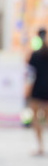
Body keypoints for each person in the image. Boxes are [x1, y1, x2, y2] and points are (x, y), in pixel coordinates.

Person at [28, 28, 48, 156]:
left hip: (38, 88)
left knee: (36, 118)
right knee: (43, 118)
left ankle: (40, 146)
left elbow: (30, 73)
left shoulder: (35, 54)